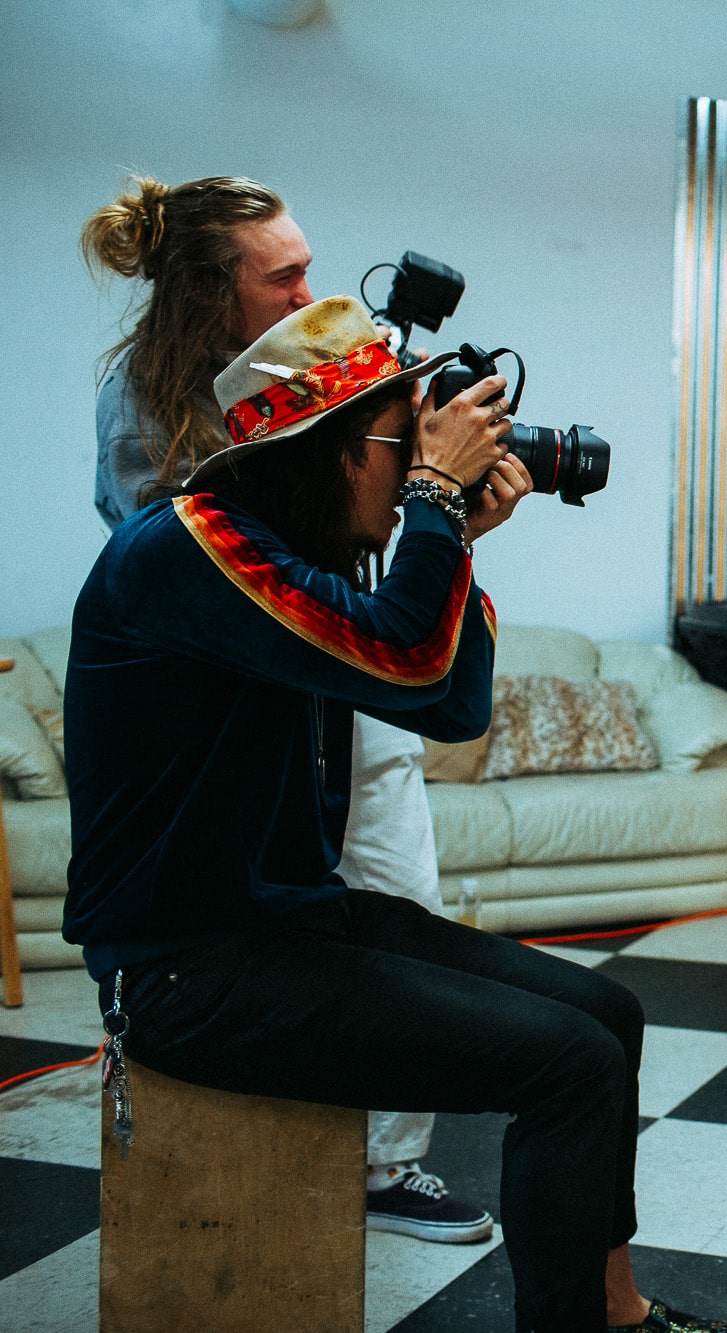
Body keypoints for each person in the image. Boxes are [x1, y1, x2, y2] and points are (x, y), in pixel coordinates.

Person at [62, 296, 722, 1332]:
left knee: (610, 1017)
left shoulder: (286, 559)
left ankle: (614, 1311)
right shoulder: (188, 542)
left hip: (287, 923)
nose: (424, 462)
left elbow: (440, 697)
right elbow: (410, 654)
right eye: (403, 441)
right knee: (569, 1064)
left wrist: (455, 530)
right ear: (328, 449)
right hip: (186, 966)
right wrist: (435, 501)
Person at [82, 174, 486, 1243]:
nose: (311, 285)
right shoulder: (146, 400)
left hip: (353, 689)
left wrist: (421, 483)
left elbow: (379, 570)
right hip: (244, 717)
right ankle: (266, 1153)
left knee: (402, 908)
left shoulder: (338, 360)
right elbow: (196, 560)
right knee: (262, 937)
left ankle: (388, 1164)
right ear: (215, 295)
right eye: (287, 273)